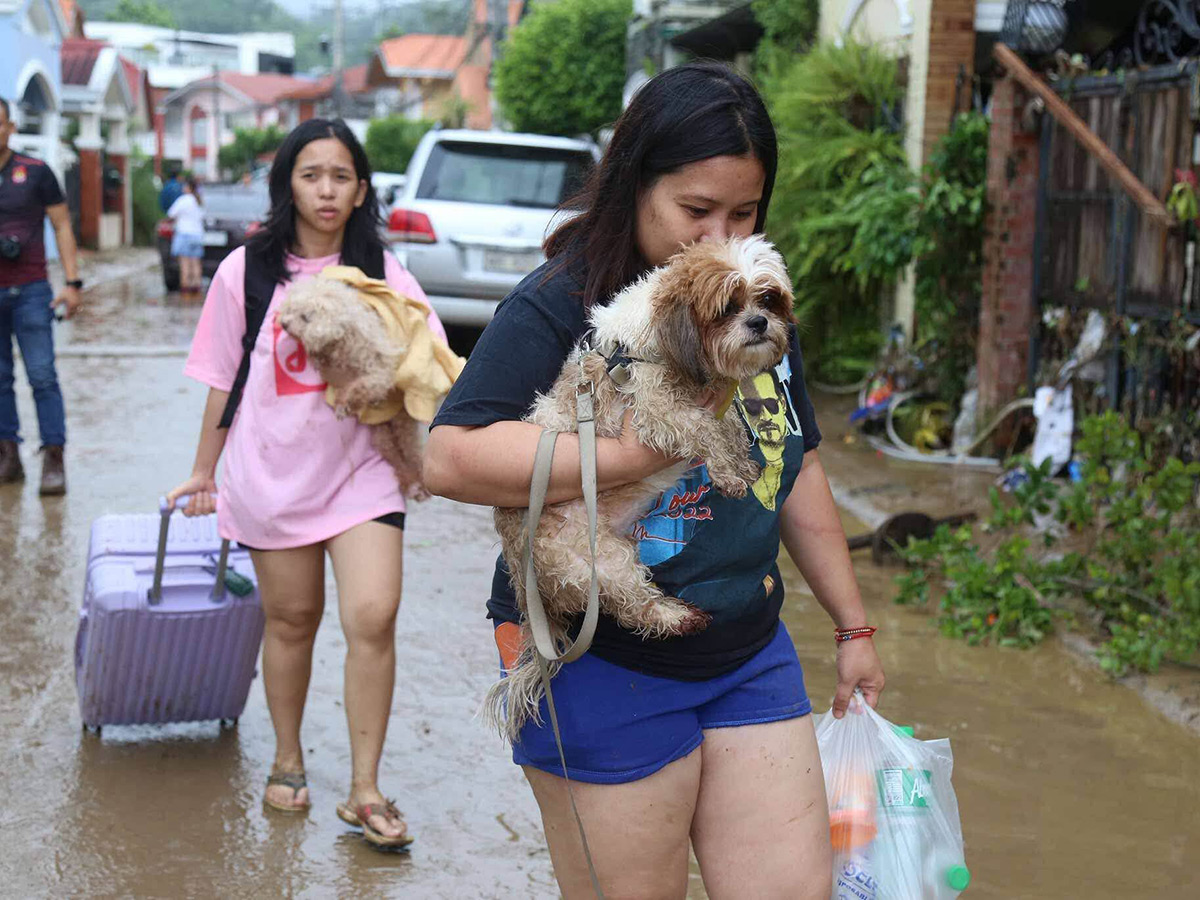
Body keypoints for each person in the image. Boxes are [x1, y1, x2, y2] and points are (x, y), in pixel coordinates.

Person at [423, 63, 886, 898]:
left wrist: (854, 629)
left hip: (747, 650)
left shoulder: (748, 300)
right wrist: (637, 456)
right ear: (635, 185)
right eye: (695, 211)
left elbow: (800, 461)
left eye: (742, 213)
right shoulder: (564, 305)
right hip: (593, 654)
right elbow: (451, 457)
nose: (718, 237)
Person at [167, 118, 446, 848]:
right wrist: (205, 469)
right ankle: (288, 759)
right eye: (311, 174)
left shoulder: (384, 269)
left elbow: (429, 352)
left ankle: (364, 788)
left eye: (341, 177)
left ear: (361, 191)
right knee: (291, 620)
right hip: (272, 475)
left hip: (364, 474)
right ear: (287, 182)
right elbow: (222, 379)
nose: (326, 190)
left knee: (374, 614)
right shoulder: (245, 271)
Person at [0, 96, 82, 495]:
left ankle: (54, 458)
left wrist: (72, 282)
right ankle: (8, 455)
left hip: (31, 290)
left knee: (42, 376)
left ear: (10, 128)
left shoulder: (35, 172)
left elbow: (63, 226)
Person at [166, 177, 205, 294]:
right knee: (196, 263)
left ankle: (185, 289)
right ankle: (196, 287)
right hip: (197, 235)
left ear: (188, 187)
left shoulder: (183, 200)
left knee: (185, 264)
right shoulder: (199, 201)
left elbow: (171, 214)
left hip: (184, 234)